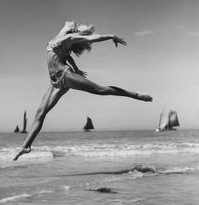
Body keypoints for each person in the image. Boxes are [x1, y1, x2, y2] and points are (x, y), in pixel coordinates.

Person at [13, 21, 153, 161]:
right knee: (40, 113)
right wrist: (76, 68)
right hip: (55, 82)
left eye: (74, 25)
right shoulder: (58, 39)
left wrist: (111, 36)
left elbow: (91, 38)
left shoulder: (70, 38)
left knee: (100, 90)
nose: (70, 23)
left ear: (75, 31)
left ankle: (135, 95)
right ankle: (26, 146)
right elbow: (66, 55)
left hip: (64, 75)